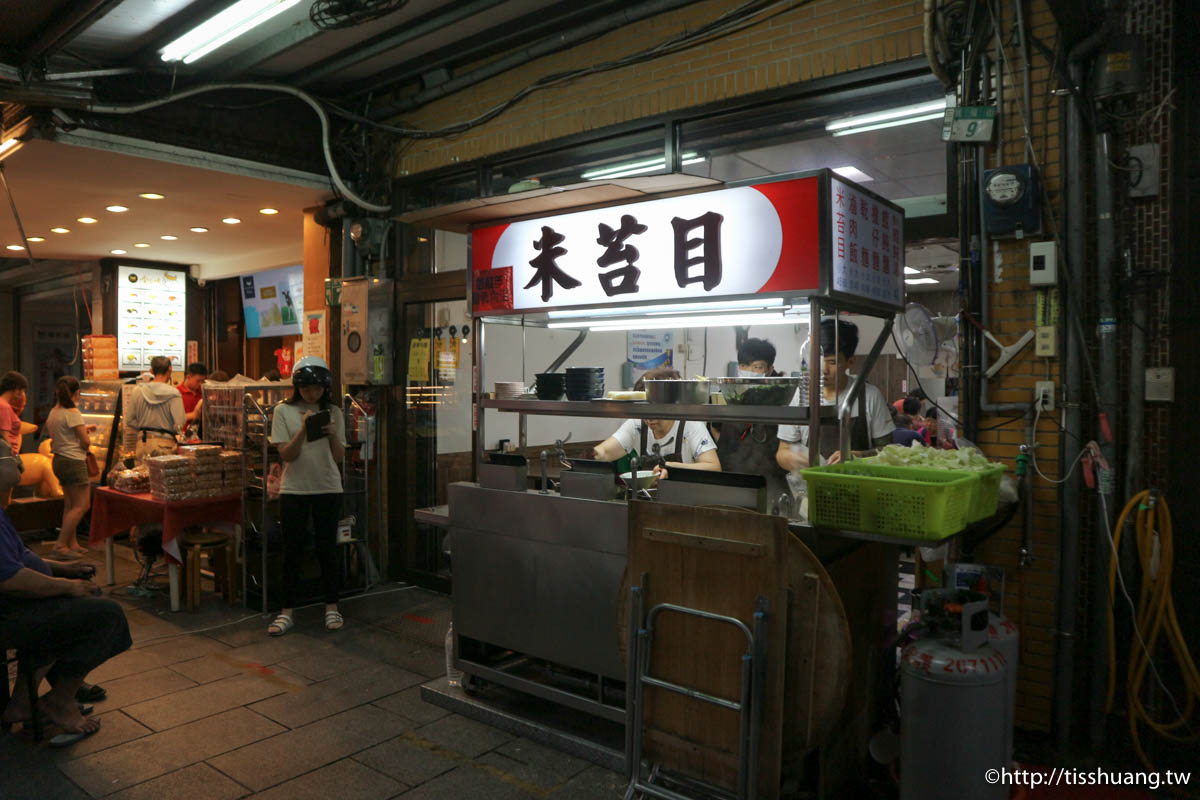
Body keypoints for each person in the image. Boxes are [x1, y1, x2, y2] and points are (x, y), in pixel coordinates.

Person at [0, 467, 131, 742]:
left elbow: (20, 557)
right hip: (8, 613)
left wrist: (65, 569)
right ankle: (60, 699)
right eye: (10, 459)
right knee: (107, 615)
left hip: (15, 605)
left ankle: (23, 701)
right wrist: (68, 587)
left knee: (84, 604)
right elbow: (11, 578)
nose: (20, 465)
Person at [266, 356, 346, 636]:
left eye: (317, 389)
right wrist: (304, 429)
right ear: (297, 387)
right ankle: (286, 611)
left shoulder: (335, 411)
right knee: (292, 550)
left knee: (327, 549)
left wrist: (333, 435)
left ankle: (332, 607)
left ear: (326, 387)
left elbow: (338, 457)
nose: (312, 393)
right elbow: (286, 454)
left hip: (328, 487)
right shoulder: (283, 412)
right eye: (306, 388)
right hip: (294, 489)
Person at [776, 318, 895, 471]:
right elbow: (782, 451)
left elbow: (889, 452)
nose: (823, 369)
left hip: (859, 485)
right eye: (817, 360)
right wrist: (796, 460)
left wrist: (857, 457)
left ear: (850, 362)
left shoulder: (869, 396)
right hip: (813, 486)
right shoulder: (802, 393)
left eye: (832, 362)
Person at [591, 367, 720, 478]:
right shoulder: (637, 424)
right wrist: (590, 456)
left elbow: (714, 467)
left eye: (655, 412)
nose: (649, 420)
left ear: (671, 406)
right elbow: (605, 452)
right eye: (644, 412)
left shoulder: (690, 425)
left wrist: (671, 467)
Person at [711, 338, 788, 505]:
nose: (749, 371)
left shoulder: (782, 395)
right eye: (744, 366)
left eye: (756, 367)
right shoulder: (727, 392)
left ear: (769, 369)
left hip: (770, 479)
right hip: (731, 476)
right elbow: (715, 427)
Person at [46, 377, 95, 559]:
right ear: (75, 393)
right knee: (82, 505)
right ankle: (59, 546)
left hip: (59, 460)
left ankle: (71, 543)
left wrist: (84, 428)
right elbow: (85, 441)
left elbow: (64, 433)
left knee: (70, 504)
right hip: (74, 461)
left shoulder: (54, 412)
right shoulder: (72, 412)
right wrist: (86, 436)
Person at [122, 356, 185, 461]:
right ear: (170, 369)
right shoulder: (174, 393)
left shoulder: (137, 390)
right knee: (161, 476)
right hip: (166, 445)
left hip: (142, 444)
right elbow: (180, 422)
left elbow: (129, 421)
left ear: (151, 371)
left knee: (142, 476)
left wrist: (144, 427)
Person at [0, 371, 27, 507]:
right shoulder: (4, 406)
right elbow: (5, 435)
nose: (21, 393)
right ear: (15, 389)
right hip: (5, 460)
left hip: (4, 458)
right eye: (21, 389)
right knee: (3, 503)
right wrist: (14, 457)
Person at [177, 362, 207, 437]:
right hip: (181, 436)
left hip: (199, 437)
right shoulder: (177, 393)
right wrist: (194, 415)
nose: (200, 384)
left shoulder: (203, 393)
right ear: (189, 377)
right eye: (198, 381)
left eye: (203, 381)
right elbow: (173, 418)